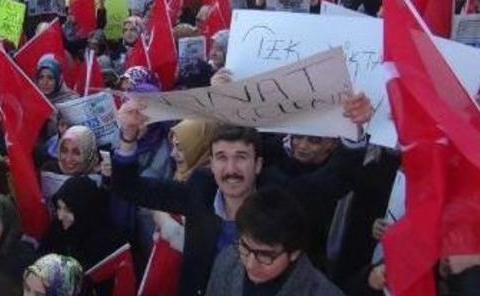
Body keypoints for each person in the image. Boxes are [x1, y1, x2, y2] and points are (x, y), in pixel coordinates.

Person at [110, 124, 264, 296]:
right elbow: (129, 188)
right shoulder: (200, 190)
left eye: (241, 157)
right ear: (211, 164)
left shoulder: (280, 205)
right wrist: (128, 138)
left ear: (257, 165)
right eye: (221, 158)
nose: (231, 169)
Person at [205, 187, 345, 296]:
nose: (250, 264)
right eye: (245, 248)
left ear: (294, 253)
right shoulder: (228, 261)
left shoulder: (322, 292)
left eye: (265, 255)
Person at [41, 177, 125, 285]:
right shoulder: (57, 227)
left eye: (69, 210)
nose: (61, 216)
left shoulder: (107, 242)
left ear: (85, 209)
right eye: (59, 207)